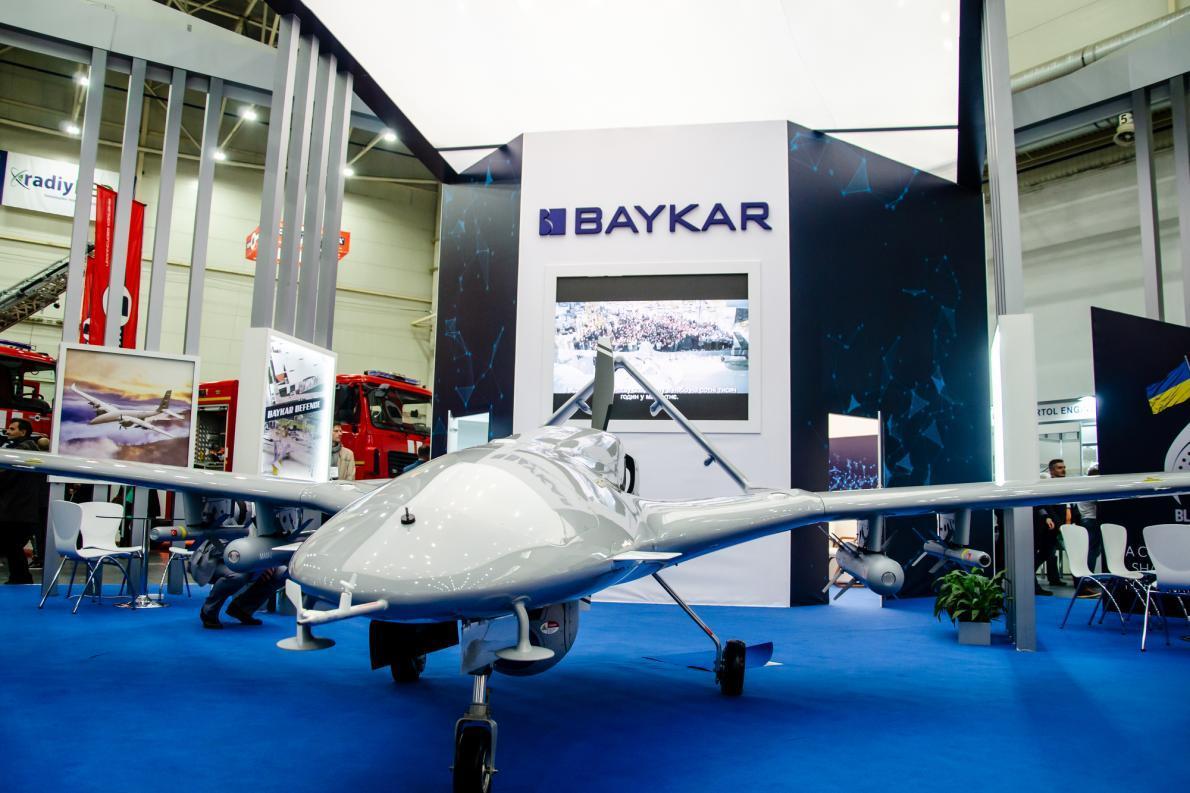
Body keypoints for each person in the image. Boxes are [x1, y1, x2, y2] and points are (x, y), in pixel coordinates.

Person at [0, 419, 43, 584]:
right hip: (21, 509)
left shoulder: (21, 453)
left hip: (17, 509)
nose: (8, 431)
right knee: (13, 546)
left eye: (12, 429)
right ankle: (20, 577)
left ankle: (21, 578)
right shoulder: (26, 450)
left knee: (12, 545)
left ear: (23, 432)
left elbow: (6, 477)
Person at [1033, 458, 1080, 594]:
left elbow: (1070, 505)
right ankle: (1030, 579)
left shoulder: (1066, 485)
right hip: (1052, 528)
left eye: (1064, 467)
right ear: (1051, 470)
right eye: (1059, 468)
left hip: (1066, 527)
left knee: (1049, 554)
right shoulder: (1047, 486)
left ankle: (1052, 579)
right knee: (1045, 554)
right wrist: (1054, 522)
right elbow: (1046, 506)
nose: (1063, 470)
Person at [1075, 466, 1104, 574]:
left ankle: (1086, 575)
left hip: (1085, 519)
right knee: (1092, 550)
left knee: (1092, 550)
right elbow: (1098, 502)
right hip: (1092, 520)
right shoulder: (1092, 488)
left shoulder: (1083, 487)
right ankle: (1088, 575)